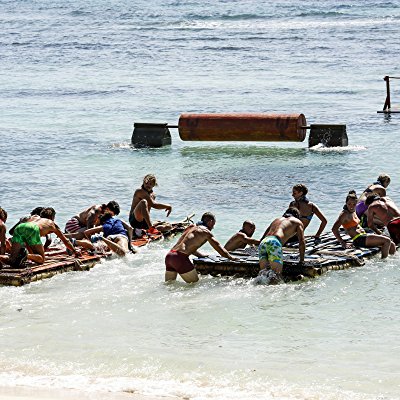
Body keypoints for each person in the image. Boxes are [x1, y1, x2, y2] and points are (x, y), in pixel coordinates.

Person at [165, 212, 237, 283]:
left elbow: (185, 246)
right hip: (180, 258)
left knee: (169, 285)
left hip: (170, 256)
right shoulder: (206, 232)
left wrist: (200, 255)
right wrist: (231, 258)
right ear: (210, 222)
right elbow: (219, 249)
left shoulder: (191, 228)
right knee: (194, 285)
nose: (213, 227)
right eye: (213, 224)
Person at [0, 207, 79, 268]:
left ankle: (21, 255)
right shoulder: (52, 224)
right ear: (52, 217)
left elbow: (26, 239)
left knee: (12, 260)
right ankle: (25, 255)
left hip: (19, 227)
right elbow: (65, 241)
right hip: (33, 229)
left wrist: (30, 253)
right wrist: (75, 251)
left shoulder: (34, 217)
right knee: (41, 259)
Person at [332, 190, 395, 258]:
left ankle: (392, 260)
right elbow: (334, 229)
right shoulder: (344, 214)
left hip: (364, 235)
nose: (351, 206)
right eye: (349, 204)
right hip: (359, 239)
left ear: (357, 204)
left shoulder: (353, 211)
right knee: (387, 241)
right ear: (346, 203)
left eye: (354, 204)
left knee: (392, 244)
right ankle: (383, 262)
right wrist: (343, 242)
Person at [258, 207, 305, 281]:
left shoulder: (276, 220)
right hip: (274, 242)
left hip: (264, 242)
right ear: (297, 216)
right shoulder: (298, 222)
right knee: (276, 276)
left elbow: (262, 238)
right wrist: (302, 260)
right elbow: (301, 242)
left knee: (263, 275)